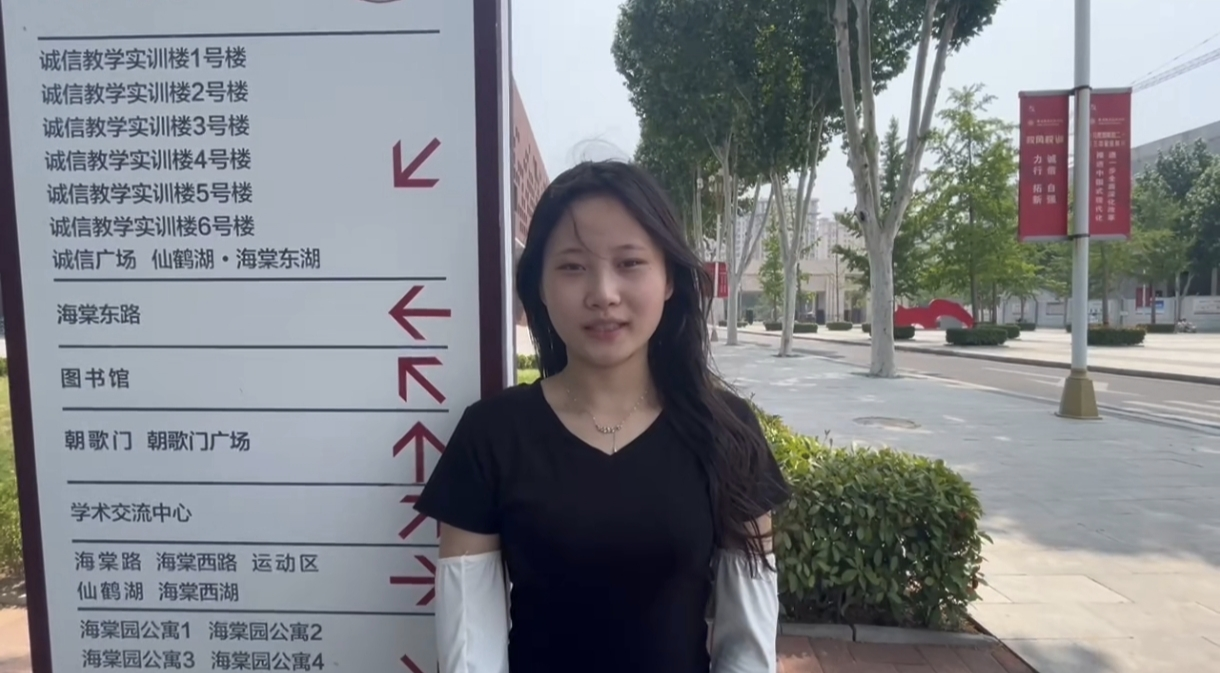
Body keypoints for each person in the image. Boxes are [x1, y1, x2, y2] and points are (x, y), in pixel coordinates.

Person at [413, 160, 792, 673]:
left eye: (630, 263)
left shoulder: (727, 431)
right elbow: (469, 647)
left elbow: (747, 642)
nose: (603, 294)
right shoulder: (491, 435)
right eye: (573, 267)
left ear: (669, 279)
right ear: (539, 286)